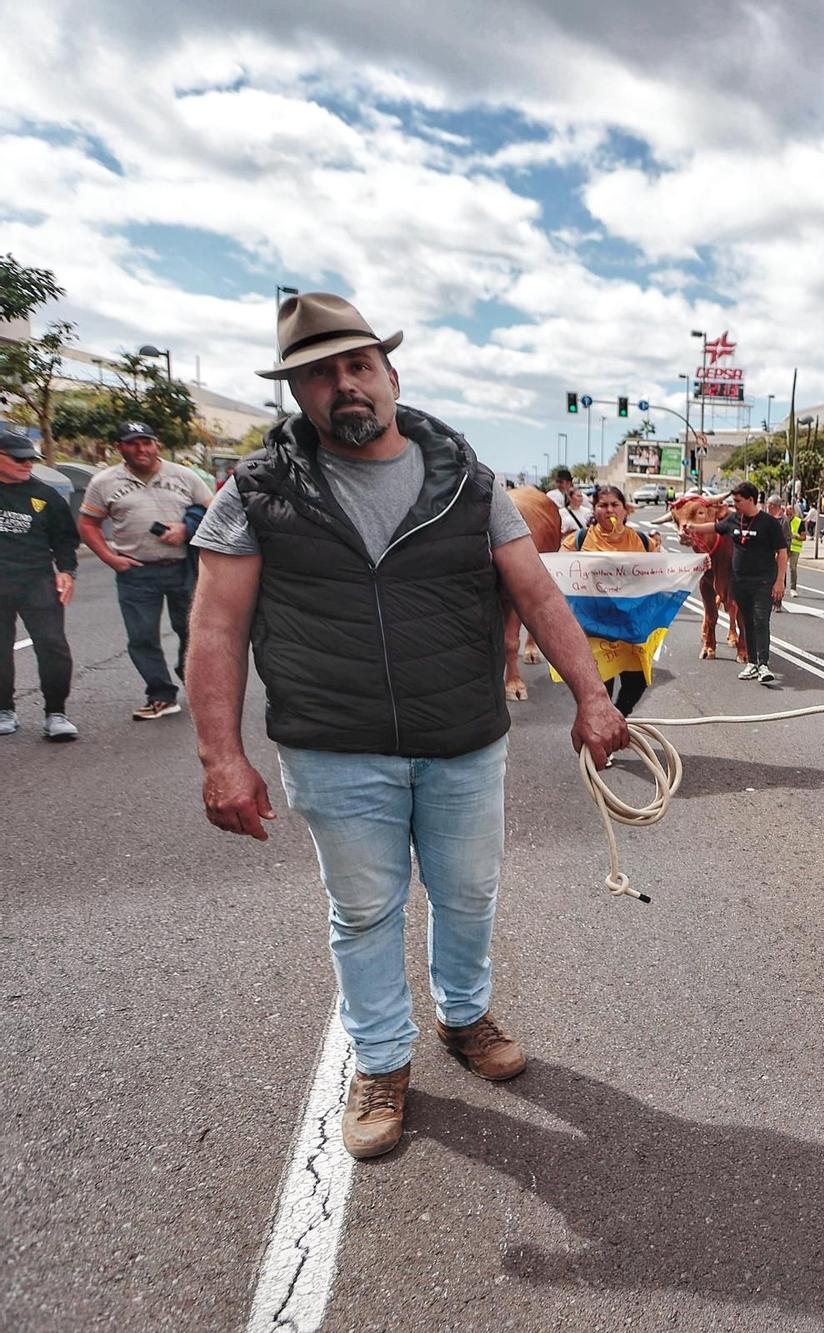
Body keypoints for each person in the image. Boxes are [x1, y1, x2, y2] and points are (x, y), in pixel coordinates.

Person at [187, 292, 628, 1160]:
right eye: (319, 373)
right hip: (333, 744)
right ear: (298, 393)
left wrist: (592, 695)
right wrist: (220, 756)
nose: (343, 385)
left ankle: (463, 1018)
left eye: (358, 366)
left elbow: (536, 592)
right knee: (363, 910)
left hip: (462, 740)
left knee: (468, 892)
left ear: (390, 375)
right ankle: (383, 1061)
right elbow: (214, 626)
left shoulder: (467, 479)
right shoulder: (257, 491)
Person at [77, 422, 212, 720]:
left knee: (192, 630)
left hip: (183, 568)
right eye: (133, 443)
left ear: (156, 444)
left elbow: (214, 511)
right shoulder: (104, 482)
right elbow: (88, 524)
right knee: (142, 637)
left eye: (147, 442)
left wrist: (186, 527)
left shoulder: (184, 476)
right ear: (119, 447)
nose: (142, 449)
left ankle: (188, 670)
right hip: (135, 572)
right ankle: (161, 694)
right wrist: (110, 559)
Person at [0, 428, 80, 741]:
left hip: (37, 582)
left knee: (53, 646)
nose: (27, 464)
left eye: (30, 459)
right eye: (18, 459)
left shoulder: (45, 495)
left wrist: (67, 572)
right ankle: (4, 709)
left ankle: (56, 713)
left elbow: (64, 539)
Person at [680, 480, 786, 683]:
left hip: (763, 582)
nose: (734, 504)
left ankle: (763, 664)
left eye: (737, 501)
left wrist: (780, 581)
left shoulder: (769, 523)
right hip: (739, 582)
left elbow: (782, 552)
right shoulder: (734, 520)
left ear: (750, 499)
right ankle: (752, 663)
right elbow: (714, 526)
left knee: (760, 621)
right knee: (745, 622)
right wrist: (692, 527)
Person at [570, 484, 659, 716]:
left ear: (624, 510)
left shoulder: (642, 540)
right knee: (601, 687)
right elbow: (558, 571)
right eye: (603, 505)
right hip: (594, 627)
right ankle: (601, 733)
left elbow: (663, 570)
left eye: (614, 505)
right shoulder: (578, 540)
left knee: (638, 682)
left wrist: (698, 566)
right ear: (595, 509)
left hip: (631, 626)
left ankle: (618, 715)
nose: (609, 510)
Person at [545, 467, 586, 537]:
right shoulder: (550, 496)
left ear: (569, 483)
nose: (558, 485)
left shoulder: (582, 497)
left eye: (561, 482)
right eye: (557, 482)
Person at [786, 502, 805, 595]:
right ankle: (782, 586)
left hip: (795, 548)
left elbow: (804, 537)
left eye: (790, 513)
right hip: (784, 547)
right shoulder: (783, 521)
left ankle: (793, 588)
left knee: (792, 568)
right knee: (781, 567)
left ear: (794, 512)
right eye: (787, 513)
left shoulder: (799, 522)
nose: (788, 515)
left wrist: (796, 536)